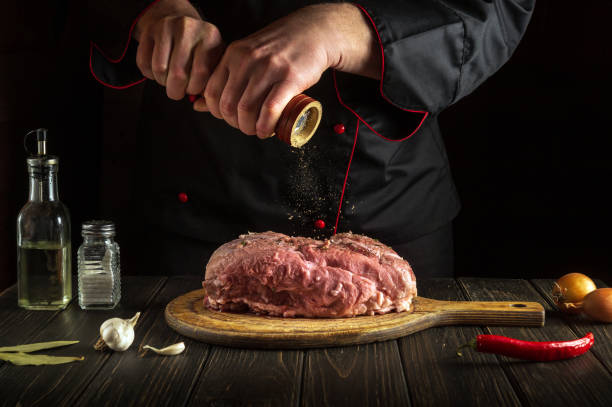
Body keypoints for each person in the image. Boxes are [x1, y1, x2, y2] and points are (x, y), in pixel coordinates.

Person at [88, 0, 534, 277]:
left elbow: (496, 8)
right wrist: (152, 10)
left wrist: (342, 29)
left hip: (385, 207)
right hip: (193, 208)